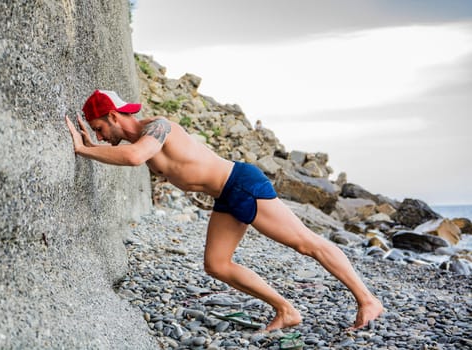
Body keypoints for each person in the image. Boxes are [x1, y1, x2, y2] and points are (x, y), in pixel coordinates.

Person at [65, 89, 383, 331]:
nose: (101, 136)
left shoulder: (157, 128)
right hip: (226, 197)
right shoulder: (140, 141)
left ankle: (368, 300)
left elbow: (134, 157)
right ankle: (286, 310)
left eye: (100, 128)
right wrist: (91, 147)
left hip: (242, 184)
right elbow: (127, 153)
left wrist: (84, 150)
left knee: (304, 242)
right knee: (217, 264)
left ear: (113, 116)